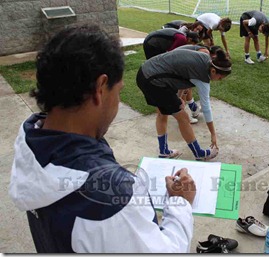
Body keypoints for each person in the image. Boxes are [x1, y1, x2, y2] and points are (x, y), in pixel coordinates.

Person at [8, 24, 196, 253]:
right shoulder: (111, 201)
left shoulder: (31, 140)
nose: (116, 102)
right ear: (100, 88)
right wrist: (180, 203)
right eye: (118, 92)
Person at [136, 49, 232, 160]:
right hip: (154, 81)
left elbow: (182, 74)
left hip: (144, 72)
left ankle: (164, 151)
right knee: (183, 118)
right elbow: (206, 108)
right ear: (213, 71)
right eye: (220, 78)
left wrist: (178, 97)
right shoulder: (202, 78)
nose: (219, 81)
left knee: (162, 113)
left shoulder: (204, 59)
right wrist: (213, 134)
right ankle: (199, 153)